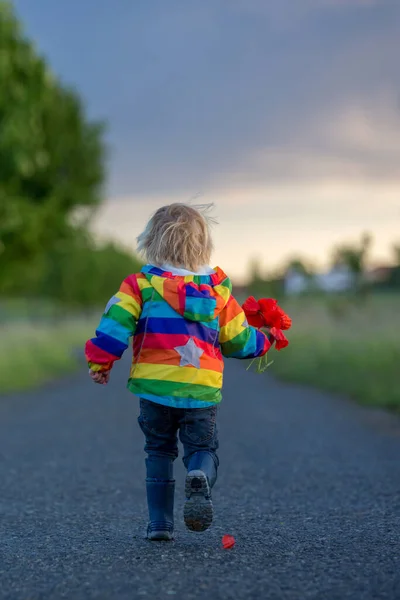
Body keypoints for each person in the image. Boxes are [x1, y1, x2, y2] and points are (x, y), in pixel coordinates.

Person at [85, 203, 274, 541]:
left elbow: (114, 324)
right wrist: (265, 341)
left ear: (151, 242)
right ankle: (199, 473)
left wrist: (101, 361)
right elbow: (239, 341)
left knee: (158, 452)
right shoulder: (218, 293)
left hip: (154, 390)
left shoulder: (139, 286)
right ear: (203, 246)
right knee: (202, 448)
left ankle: (159, 524)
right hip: (200, 391)